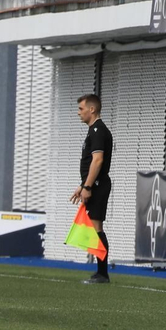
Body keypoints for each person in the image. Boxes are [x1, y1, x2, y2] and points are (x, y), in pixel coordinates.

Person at [71, 93, 112, 285]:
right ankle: (100, 272)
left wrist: (88, 186)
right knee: (94, 228)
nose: (79, 112)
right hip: (92, 184)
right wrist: (82, 185)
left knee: (96, 228)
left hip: (97, 186)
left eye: (81, 108)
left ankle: (102, 274)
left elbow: (98, 161)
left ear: (92, 109)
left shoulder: (98, 131)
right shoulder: (93, 131)